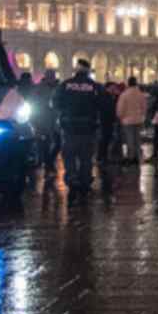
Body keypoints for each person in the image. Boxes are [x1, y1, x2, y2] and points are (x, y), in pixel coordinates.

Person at [51, 59, 105, 205]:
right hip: (88, 128)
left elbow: (54, 103)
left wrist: (64, 114)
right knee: (86, 158)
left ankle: (72, 178)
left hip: (69, 128)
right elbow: (103, 105)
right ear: (88, 71)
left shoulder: (65, 85)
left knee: (69, 156)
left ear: (76, 70)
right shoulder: (94, 86)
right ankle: (85, 181)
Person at [116, 76, 148, 165]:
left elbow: (120, 109)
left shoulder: (124, 94)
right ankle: (137, 157)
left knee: (129, 139)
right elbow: (144, 107)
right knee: (137, 139)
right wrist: (142, 116)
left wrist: (120, 117)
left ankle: (131, 157)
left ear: (128, 83)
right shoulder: (140, 94)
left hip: (127, 120)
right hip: (138, 120)